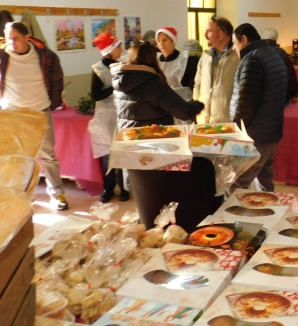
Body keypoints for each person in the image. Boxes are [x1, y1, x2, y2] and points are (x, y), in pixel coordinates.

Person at [112, 42, 211, 230]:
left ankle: (147, 226)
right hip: (155, 148)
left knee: (143, 194)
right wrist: (200, 103)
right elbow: (183, 111)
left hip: (130, 147)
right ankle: (164, 230)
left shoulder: (120, 80)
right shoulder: (151, 82)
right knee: (161, 195)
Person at [0, 22, 69, 210]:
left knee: (48, 156)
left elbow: (57, 81)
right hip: (14, 114)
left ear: (27, 37)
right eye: (8, 38)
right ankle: (24, 196)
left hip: (40, 111)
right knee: (20, 158)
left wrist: (53, 103)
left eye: (16, 38)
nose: (12, 42)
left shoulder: (46, 57)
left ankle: (58, 194)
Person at [229, 24, 287, 192]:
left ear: (244, 39)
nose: (233, 48)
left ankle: (232, 218)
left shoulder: (252, 60)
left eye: (235, 43)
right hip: (271, 131)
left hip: (255, 135)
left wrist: (235, 130)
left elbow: (247, 104)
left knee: (235, 184)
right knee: (264, 183)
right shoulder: (273, 55)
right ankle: (268, 215)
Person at [89, 33, 129, 203]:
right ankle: (109, 187)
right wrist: (114, 87)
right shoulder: (98, 69)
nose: (121, 49)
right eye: (118, 46)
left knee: (123, 151)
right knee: (108, 153)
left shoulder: (124, 65)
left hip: (123, 112)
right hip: (106, 115)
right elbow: (96, 95)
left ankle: (125, 187)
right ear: (110, 50)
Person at [193, 16, 240, 124]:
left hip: (227, 123)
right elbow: (197, 85)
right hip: (204, 122)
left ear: (220, 34)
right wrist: (196, 110)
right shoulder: (205, 57)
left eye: (208, 31)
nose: (205, 35)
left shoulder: (238, 57)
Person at [156, 27, 197, 101]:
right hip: (162, 103)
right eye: (159, 41)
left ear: (173, 41)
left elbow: (195, 84)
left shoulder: (185, 60)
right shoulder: (155, 60)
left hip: (183, 102)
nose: (161, 44)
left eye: (164, 40)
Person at [263, 27, 298, 104]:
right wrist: (293, 94)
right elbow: (290, 75)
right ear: (276, 39)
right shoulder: (281, 53)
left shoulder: (256, 52)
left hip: (262, 97)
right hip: (281, 95)